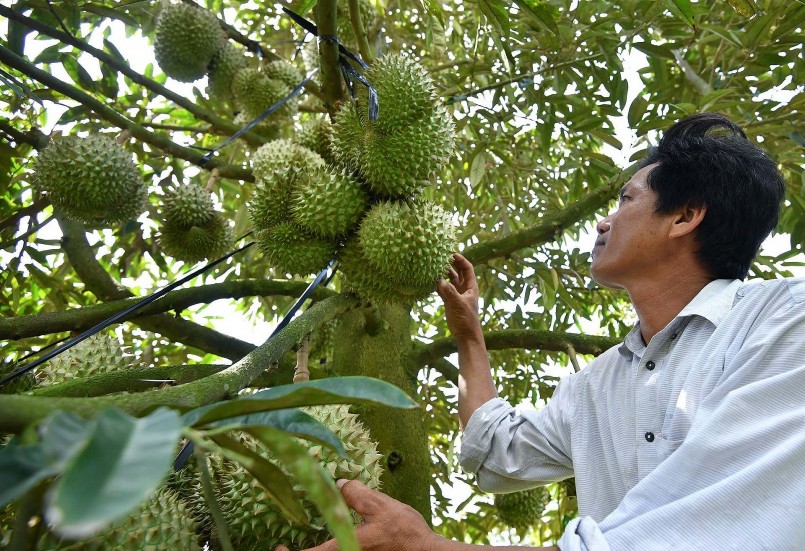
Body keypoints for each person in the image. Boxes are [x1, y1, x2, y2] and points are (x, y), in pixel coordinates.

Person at [277, 113, 805, 550]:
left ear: (684, 216)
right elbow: (496, 450)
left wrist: (427, 546)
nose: (603, 221)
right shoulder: (597, 387)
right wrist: (467, 332)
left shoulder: (785, 324)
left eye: (625, 200)